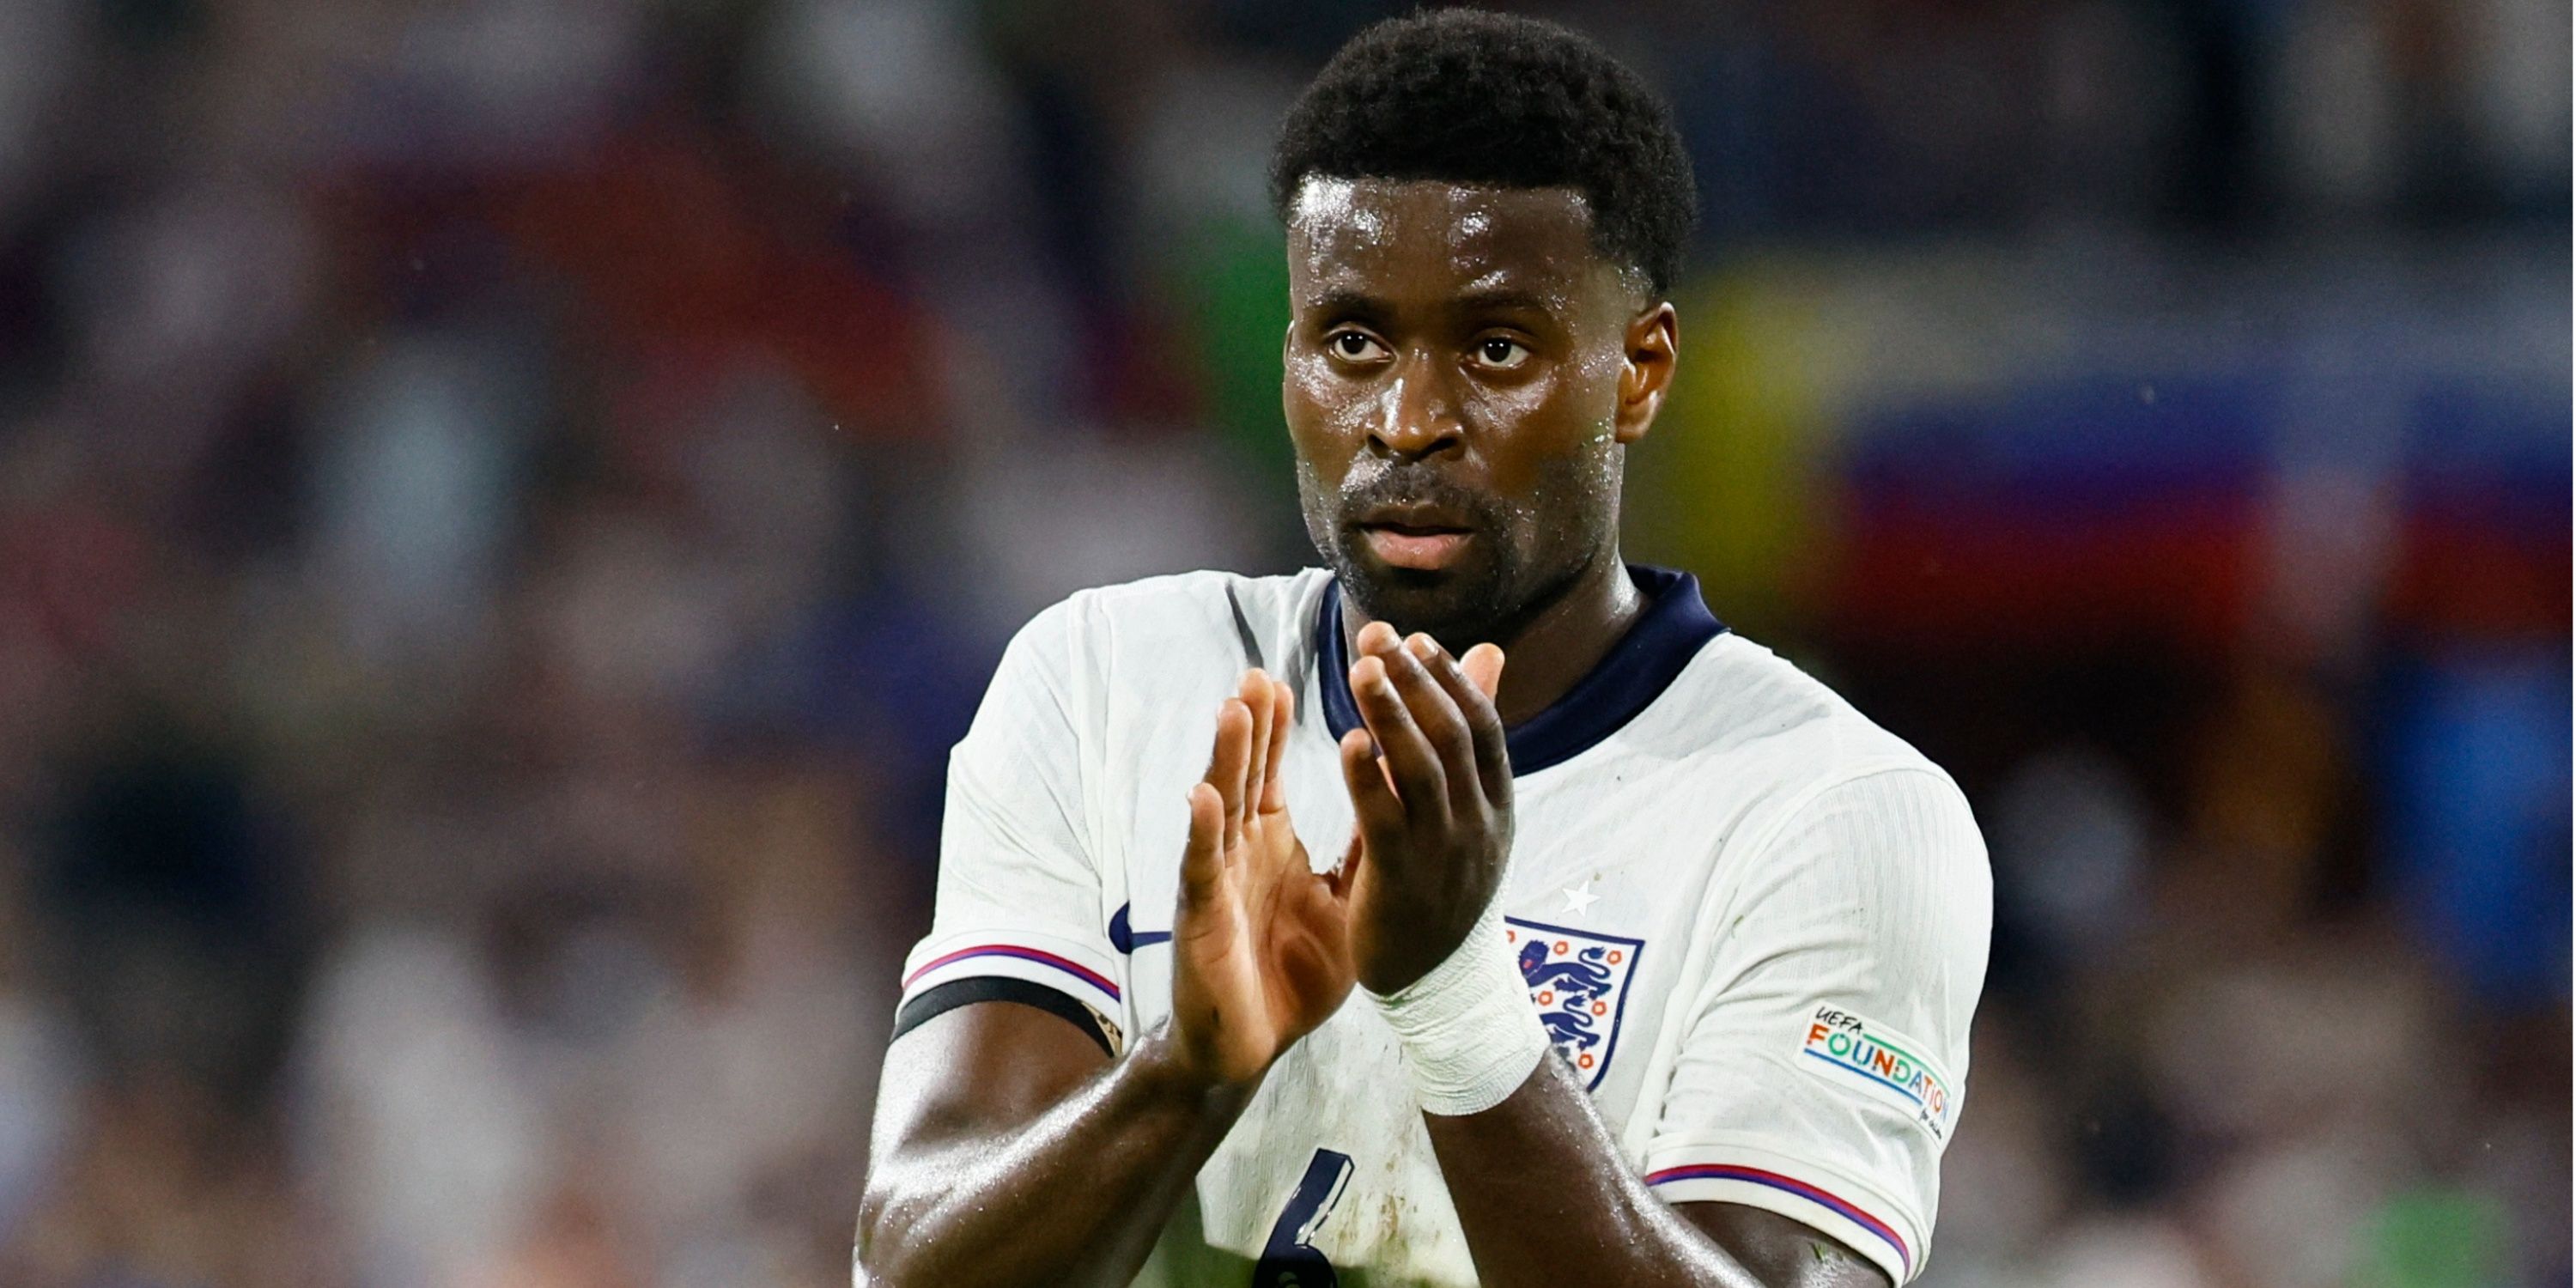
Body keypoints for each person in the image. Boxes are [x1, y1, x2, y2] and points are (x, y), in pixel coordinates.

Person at [855, 11, 1990, 1287]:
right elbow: (911, 1264)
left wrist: (1453, 999)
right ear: (1288, 354)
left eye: (1495, 348)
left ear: (1641, 372)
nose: (1406, 421)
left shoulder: (1837, 813)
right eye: (1353, 342)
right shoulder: (1108, 682)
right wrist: (1186, 1072)